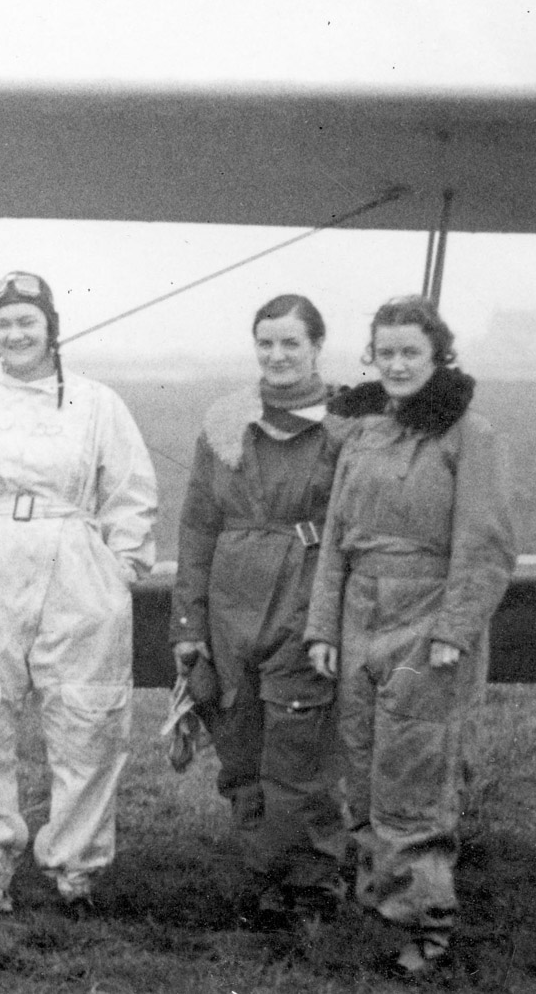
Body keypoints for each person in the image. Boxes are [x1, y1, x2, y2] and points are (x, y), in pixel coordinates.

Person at [0, 272, 157, 915]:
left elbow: (130, 493)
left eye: (28, 321)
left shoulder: (97, 403)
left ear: (52, 327)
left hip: (75, 557)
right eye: (3, 324)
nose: (16, 334)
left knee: (86, 718)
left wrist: (119, 569)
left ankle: (75, 867)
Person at [304, 296, 514, 977]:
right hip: (359, 615)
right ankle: (377, 906)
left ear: (437, 356)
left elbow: (484, 543)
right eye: (384, 352)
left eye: (409, 353)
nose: (395, 365)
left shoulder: (469, 434)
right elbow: (335, 538)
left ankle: (429, 921)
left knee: (415, 774)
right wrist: (323, 627)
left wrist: (455, 627)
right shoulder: (363, 433)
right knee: (361, 767)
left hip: (428, 621)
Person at [170, 294, 349, 928]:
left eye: (290, 344)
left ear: (316, 348)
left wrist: (331, 618)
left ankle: (313, 886)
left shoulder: (346, 427)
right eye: (265, 343)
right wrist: (188, 627)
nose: (276, 356)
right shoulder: (224, 424)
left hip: (304, 597)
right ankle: (264, 881)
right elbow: (195, 527)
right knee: (240, 751)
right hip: (228, 608)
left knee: (298, 756)